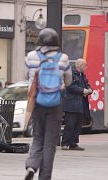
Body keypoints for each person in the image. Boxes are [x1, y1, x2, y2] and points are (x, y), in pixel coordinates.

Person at [24, 28, 72, 180]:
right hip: (55, 103)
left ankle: (32, 166)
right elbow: (68, 81)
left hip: (37, 101)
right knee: (50, 141)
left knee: (37, 137)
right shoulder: (63, 58)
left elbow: (27, 77)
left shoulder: (31, 56)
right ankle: (44, 176)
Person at [61, 58, 92, 151]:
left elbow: (87, 84)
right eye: (85, 65)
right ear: (80, 66)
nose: (86, 67)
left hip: (81, 104)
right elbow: (70, 86)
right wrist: (82, 90)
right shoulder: (71, 74)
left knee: (78, 125)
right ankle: (65, 143)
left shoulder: (82, 75)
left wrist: (89, 89)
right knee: (70, 124)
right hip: (71, 104)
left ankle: (73, 143)